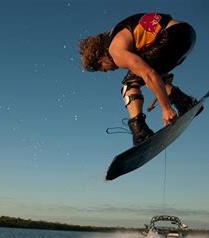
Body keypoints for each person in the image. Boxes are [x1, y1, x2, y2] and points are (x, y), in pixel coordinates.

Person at [78, 12, 199, 145]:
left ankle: (141, 133)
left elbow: (149, 74)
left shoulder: (115, 51)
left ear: (100, 58)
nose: (108, 71)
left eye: (103, 69)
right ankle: (184, 102)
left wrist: (166, 108)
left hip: (173, 36)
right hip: (185, 34)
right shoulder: (116, 36)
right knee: (146, 76)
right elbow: (151, 76)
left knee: (129, 84)